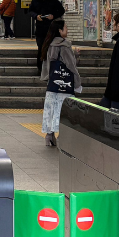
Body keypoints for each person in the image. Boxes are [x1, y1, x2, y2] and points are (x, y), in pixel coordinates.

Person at [40, 19, 81, 147]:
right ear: (60, 30)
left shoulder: (48, 44)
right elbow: (70, 66)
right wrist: (77, 82)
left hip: (52, 84)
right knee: (64, 111)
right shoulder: (64, 45)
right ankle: (63, 138)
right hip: (65, 85)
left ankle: (49, 137)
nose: (67, 30)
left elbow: (49, 64)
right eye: (65, 27)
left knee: (51, 110)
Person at [29, 0, 66, 72]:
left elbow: (61, 11)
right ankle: (40, 68)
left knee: (52, 48)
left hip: (52, 29)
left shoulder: (53, 1)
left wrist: (53, 16)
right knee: (41, 48)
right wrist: (36, 16)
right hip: (40, 29)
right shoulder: (35, 1)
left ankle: (52, 69)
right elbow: (30, 11)